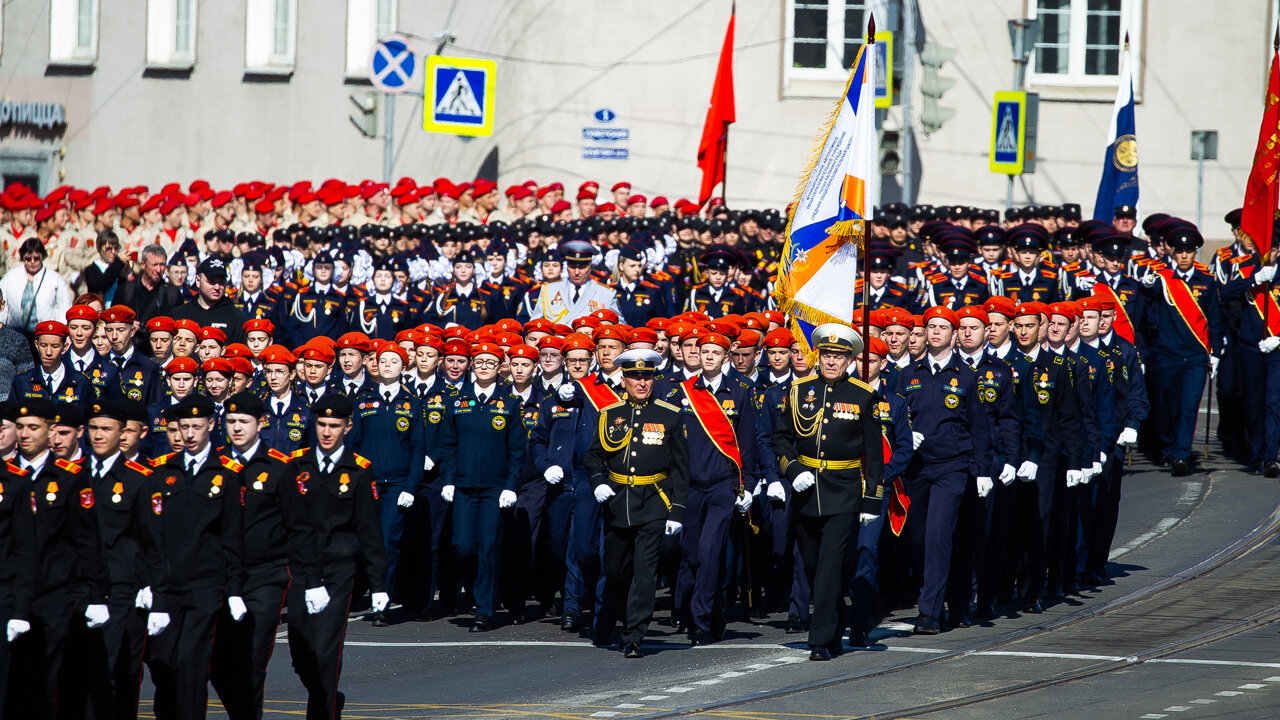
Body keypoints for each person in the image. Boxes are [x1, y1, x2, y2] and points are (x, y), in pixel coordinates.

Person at [773, 324, 884, 660]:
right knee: (810, 565)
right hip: (807, 490)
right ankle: (835, 628)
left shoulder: (863, 395)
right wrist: (792, 469)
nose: (831, 361)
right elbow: (780, 438)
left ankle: (819, 640)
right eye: (826, 355)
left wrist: (871, 499)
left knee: (830, 565)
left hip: (845, 490)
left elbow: (875, 453)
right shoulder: (798, 391)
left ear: (849, 359)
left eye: (838, 356)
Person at [284, 393, 388, 720]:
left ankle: (323, 711)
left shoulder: (358, 472)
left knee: (327, 654)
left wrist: (379, 583)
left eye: (334, 425)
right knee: (301, 654)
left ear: (348, 427)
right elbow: (287, 522)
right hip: (302, 571)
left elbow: (369, 531)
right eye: (322, 424)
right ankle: (327, 696)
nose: (327, 431)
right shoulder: (297, 466)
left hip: (338, 572)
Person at [146, 395, 247, 720]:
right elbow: (154, 534)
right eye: (184, 427)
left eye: (196, 427)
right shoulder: (163, 472)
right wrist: (151, 585)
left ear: (211, 426)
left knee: (191, 663)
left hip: (206, 583)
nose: (189, 434)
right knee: (163, 664)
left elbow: (232, 535)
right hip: (169, 584)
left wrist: (233, 589)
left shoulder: (227, 475)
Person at [6, 399, 107, 720]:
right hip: (10, 590)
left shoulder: (68, 478)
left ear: (50, 431)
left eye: (33, 428)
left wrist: (94, 594)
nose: (24, 434)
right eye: (20, 427)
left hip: (53, 593)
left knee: (44, 684)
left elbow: (86, 540)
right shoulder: (6, 477)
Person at [584, 349, 688, 658]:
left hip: (654, 500)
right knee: (616, 569)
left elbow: (682, 467)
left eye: (646, 377)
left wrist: (678, 510)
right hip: (618, 501)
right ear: (623, 379)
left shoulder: (670, 414)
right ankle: (621, 618)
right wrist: (597, 481)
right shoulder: (609, 413)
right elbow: (592, 455)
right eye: (634, 377)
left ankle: (634, 635)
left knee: (646, 571)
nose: (640, 383)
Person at [895, 307, 993, 634]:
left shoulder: (967, 376)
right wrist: (905, 436)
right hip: (916, 467)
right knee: (917, 538)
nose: (936, 332)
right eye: (930, 327)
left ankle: (930, 612)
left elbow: (980, 427)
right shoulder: (908, 375)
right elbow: (892, 420)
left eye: (942, 327)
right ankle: (943, 596)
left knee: (939, 536)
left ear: (953, 335)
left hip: (952, 466)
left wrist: (981, 471)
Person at [209, 392, 297, 720]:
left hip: (265, 574)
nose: (236, 428)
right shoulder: (213, 465)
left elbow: (296, 524)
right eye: (230, 421)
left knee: (253, 657)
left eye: (243, 421)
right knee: (217, 662)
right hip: (220, 575)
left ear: (260, 424)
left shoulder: (278, 467)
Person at [438, 342, 525, 632]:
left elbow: (517, 449)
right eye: (480, 361)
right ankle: (477, 591)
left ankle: (484, 610)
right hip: (463, 486)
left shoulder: (510, 403)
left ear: (500, 367)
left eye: (491, 362)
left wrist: (511, 485)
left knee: (488, 547)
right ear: (473, 365)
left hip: (495, 489)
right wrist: (448, 479)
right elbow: (448, 444)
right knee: (462, 547)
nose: (484, 366)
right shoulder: (457, 400)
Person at [350, 344, 426, 626]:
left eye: (394, 361)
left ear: (403, 367)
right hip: (368, 484)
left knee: (388, 542)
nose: (387, 365)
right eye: (383, 361)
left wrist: (410, 486)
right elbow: (353, 445)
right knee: (362, 543)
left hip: (397, 484)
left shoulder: (413, 404)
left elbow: (418, 449)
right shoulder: (364, 402)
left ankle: (381, 601)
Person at [524, 239, 620, 323]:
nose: (577, 272)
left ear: (590, 267)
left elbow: (619, 328)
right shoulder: (548, 290)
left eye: (582, 268)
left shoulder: (606, 294)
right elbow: (535, 325)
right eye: (572, 267)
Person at [0, 238, 73, 336]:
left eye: (36, 258)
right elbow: (3, 306)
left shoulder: (55, 278)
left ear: (42, 256)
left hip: (45, 334)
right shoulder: (11, 276)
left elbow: (64, 306)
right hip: (15, 333)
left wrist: (58, 332)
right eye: (28, 259)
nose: (32, 262)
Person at [169, 256, 250, 346]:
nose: (217, 287)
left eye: (221, 282)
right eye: (211, 282)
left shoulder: (236, 317)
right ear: (198, 281)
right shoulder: (179, 314)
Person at [110, 244, 181, 328]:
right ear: (143, 264)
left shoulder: (172, 293)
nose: (158, 270)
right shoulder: (126, 290)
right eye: (154, 265)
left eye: (162, 264)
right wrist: (127, 324)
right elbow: (112, 320)